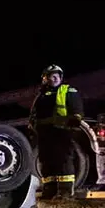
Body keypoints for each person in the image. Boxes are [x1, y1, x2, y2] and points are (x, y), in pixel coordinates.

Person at [29, 64, 84, 199]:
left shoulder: (68, 90)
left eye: (56, 76)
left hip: (62, 131)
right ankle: (49, 190)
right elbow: (34, 113)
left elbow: (76, 108)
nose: (53, 78)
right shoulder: (41, 95)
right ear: (45, 79)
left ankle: (65, 192)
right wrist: (32, 125)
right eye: (50, 76)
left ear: (60, 77)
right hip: (45, 133)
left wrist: (76, 118)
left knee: (63, 160)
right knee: (46, 161)